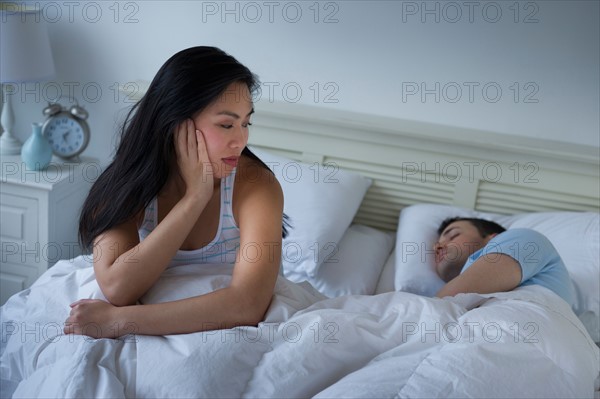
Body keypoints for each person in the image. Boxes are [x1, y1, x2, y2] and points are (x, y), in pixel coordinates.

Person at [64, 46, 287, 338]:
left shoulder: (257, 186)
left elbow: (248, 305)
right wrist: (195, 198)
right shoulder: (125, 184)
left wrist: (118, 321)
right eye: (226, 124)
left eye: (246, 123)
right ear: (176, 122)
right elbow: (118, 288)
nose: (240, 140)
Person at [433, 217, 575, 306]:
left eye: (453, 235)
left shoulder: (523, 238)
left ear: (493, 238)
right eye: (437, 243)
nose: (437, 246)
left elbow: (439, 306)